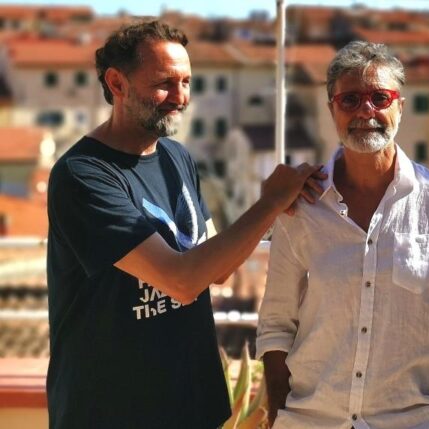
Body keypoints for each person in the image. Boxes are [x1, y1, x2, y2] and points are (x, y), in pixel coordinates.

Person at [46, 21, 323, 429]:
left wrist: (279, 207)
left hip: (191, 404)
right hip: (110, 412)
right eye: (164, 84)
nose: (180, 98)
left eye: (186, 82)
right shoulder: (83, 175)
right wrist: (269, 202)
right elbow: (182, 280)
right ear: (117, 83)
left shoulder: (177, 158)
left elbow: (217, 269)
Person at [255, 41, 429, 429]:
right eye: (351, 99)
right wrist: (279, 418)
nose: (365, 111)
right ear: (332, 110)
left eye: (379, 98)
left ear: (400, 107)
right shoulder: (301, 206)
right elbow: (276, 324)